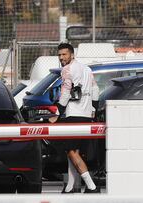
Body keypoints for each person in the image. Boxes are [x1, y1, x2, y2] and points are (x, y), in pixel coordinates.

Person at [51, 43, 100, 193]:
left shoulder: (67, 69)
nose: (61, 58)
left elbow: (65, 92)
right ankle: (70, 187)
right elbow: (96, 89)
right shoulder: (87, 69)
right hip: (86, 115)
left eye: (64, 54)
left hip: (73, 114)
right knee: (73, 152)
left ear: (72, 55)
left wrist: (57, 112)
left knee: (71, 151)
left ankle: (92, 186)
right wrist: (94, 109)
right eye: (59, 55)